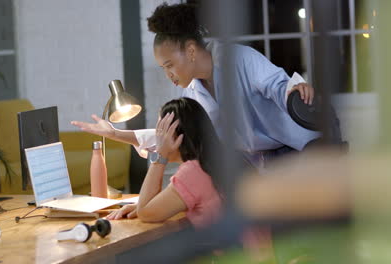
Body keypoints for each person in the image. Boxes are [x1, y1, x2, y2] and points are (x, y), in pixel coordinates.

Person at [72, 3, 322, 170]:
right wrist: (116, 134)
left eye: (169, 64)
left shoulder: (239, 58)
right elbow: (171, 134)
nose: (169, 74)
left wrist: (296, 90)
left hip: (303, 150)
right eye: (163, 68)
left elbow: (277, 86)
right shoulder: (193, 93)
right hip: (265, 163)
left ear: (191, 51)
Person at [106, 98, 223, 229]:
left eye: (160, 132)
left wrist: (161, 155)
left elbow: (145, 213)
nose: (157, 138)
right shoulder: (219, 160)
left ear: (174, 134)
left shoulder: (192, 172)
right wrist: (150, 206)